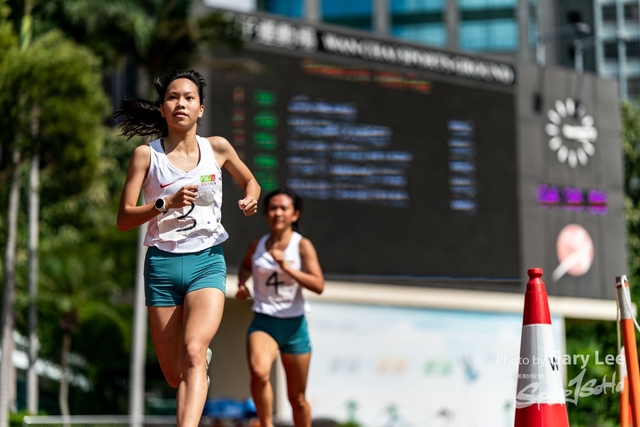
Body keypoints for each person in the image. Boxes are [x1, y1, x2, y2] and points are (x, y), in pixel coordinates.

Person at [115, 68, 260, 427]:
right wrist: (166, 202)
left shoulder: (219, 148)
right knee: (173, 374)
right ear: (163, 109)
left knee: (194, 351)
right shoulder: (145, 157)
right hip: (162, 267)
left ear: (201, 109)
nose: (180, 103)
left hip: (207, 261)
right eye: (173, 97)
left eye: (188, 98)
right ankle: (196, 369)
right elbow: (123, 218)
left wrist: (251, 197)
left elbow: (250, 180)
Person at [235, 188, 324, 427]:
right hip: (264, 321)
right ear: (265, 213)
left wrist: (287, 267)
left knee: (297, 398)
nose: (277, 213)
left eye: (284, 208)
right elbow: (245, 267)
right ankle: (266, 424)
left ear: (294, 215)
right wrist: (243, 284)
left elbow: (318, 285)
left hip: (295, 326)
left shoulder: (302, 246)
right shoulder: (258, 245)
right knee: (259, 372)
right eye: (273, 208)